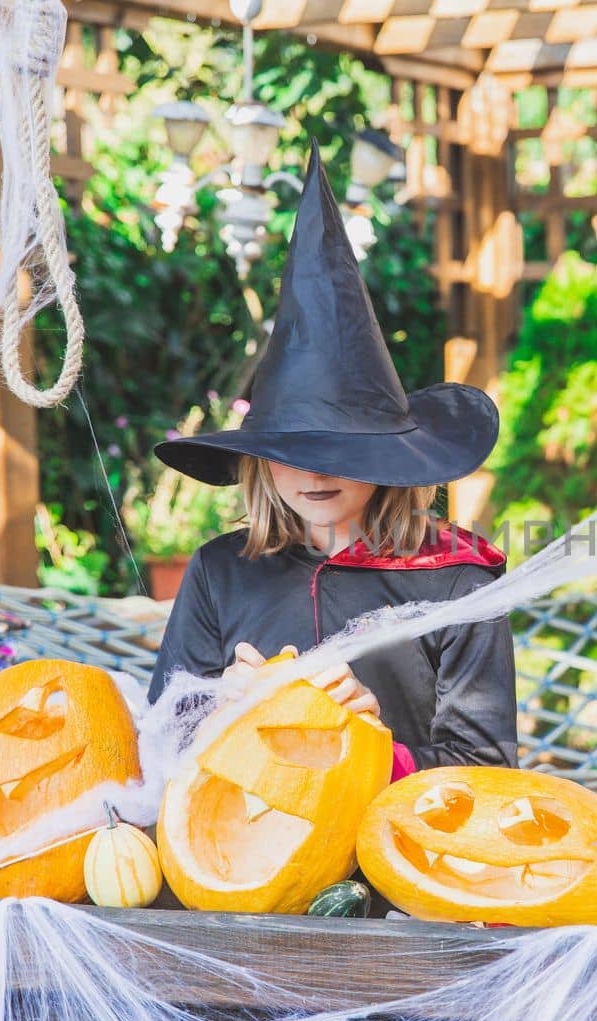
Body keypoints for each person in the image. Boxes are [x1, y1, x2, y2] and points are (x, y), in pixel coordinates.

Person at [148, 141, 516, 780]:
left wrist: (377, 748)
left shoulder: (456, 583)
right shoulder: (219, 572)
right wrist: (218, 713)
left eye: (338, 453)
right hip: (240, 855)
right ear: (261, 462)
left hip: (404, 856)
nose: (314, 473)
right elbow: (163, 742)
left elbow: (484, 767)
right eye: (290, 453)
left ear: (385, 459)